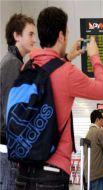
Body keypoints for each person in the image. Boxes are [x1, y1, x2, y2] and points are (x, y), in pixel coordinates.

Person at [14, 7, 103, 190]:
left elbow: (50, 71)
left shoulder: (28, 64)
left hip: (24, 171)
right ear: (61, 35)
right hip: (52, 173)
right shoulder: (68, 73)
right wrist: (94, 56)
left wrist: (68, 57)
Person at [0, 13, 36, 190]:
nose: (34, 39)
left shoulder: (15, 63)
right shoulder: (12, 64)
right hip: (7, 151)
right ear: (16, 36)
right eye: (30, 34)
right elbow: (12, 114)